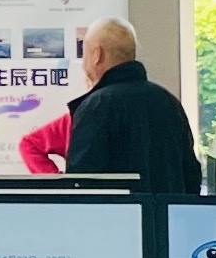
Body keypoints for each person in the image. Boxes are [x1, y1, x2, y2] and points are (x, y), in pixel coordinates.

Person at [57, 19, 204, 194]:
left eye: (84, 51)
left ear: (97, 54)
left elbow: (82, 184)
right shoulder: (169, 102)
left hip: (118, 212)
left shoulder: (96, 106)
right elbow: (191, 177)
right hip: (166, 211)